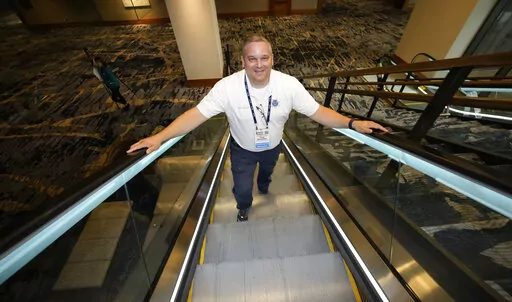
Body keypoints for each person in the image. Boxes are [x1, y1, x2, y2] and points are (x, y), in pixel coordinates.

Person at [127, 34, 387, 222]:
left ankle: (264, 184)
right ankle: (243, 206)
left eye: (264, 58)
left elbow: (319, 112)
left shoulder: (289, 85)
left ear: (273, 59)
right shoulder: (226, 87)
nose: (259, 64)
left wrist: (352, 123)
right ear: (243, 61)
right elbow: (195, 115)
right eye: (253, 59)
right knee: (241, 187)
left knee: (267, 173)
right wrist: (160, 137)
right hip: (241, 150)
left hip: (273, 146)